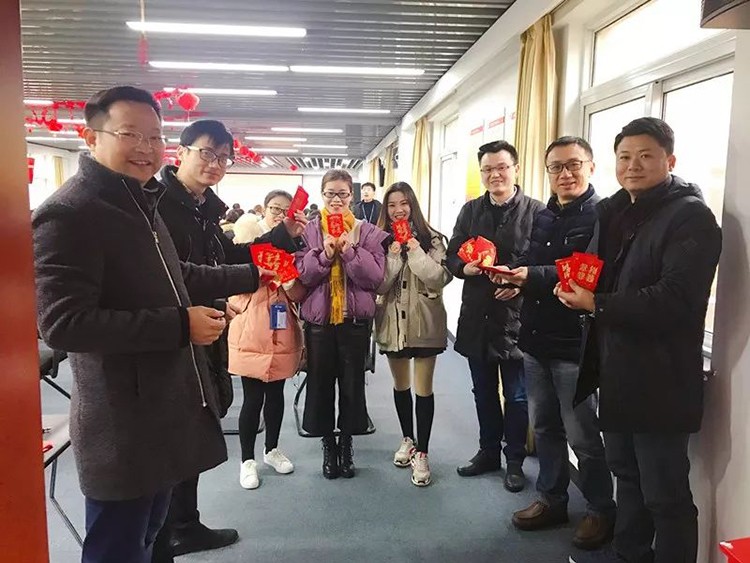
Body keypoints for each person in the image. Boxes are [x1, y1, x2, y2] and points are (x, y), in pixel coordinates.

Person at [32, 86, 269, 563]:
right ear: (91, 137)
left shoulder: (140, 202)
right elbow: (63, 324)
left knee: (151, 537)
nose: (145, 147)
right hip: (122, 419)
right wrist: (180, 326)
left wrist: (253, 273)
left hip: (163, 407)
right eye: (130, 134)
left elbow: (178, 274)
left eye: (155, 136)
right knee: (118, 546)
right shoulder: (70, 213)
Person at [565, 118, 721, 563]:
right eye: (625, 157)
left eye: (645, 156)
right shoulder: (616, 211)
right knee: (627, 479)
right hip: (616, 372)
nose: (633, 165)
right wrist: (574, 288)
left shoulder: (691, 217)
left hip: (661, 380)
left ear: (670, 161)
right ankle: (629, 554)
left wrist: (596, 303)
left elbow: (676, 300)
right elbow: (604, 276)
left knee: (665, 495)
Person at [156, 120, 306, 559]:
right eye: (207, 152)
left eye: (224, 157)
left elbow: (230, 255)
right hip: (170, 334)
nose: (215, 163)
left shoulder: (202, 208)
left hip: (203, 331)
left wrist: (281, 237)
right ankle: (170, 530)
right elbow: (181, 274)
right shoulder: (159, 205)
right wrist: (251, 276)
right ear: (180, 152)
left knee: (193, 429)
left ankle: (185, 524)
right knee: (171, 438)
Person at [496, 137, 614, 550]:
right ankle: (552, 499)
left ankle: (601, 509)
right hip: (535, 339)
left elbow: (584, 272)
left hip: (574, 344)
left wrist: (530, 277)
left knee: (583, 435)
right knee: (544, 426)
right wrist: (514, 278)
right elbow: (533, 262)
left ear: (591, 167)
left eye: (573, 165)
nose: (565, 174)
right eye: (555, 167)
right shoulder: (544, 215)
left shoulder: (603, 217)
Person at [446, 140, 544, 492]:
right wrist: (465, 268)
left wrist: (521, 285)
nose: (494, 175)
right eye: (487, 169)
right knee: (483, 391)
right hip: (478, 316)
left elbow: (545, 265)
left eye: (501, 167)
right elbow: (452, 255)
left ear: (515, 169)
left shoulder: (536, 212)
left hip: (518, 319)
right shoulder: (471, 211)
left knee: (516, 395)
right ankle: (488, 451)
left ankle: (514, 460)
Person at [295, 169, 389, 479]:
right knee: (320, 384)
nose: (336, 200)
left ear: (352, 196)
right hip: (320, 321)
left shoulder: (368, 232)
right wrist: (324, 255)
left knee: (352, 385)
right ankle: (328, 445)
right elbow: (303, 275)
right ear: (322, 195)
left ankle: (347, 444)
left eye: (343, 194)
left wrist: (349, 251)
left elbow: (374, 277)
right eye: (330, 193)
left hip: (354, 321)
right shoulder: (308, 230)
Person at [375, 181, 452, 487]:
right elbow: (379, 284)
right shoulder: (379, 240)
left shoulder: (433, 239)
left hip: (425, 322)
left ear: (413, 205)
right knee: (400, 385)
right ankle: (408, 438)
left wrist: (415, 249)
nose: (398, 210)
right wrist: (393, 256)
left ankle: (423, 452)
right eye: (392, 205)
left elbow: (438, 278)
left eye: (404, 203)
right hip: (392, 322)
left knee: (423, 388)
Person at [229, 190, 306, 490]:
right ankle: (247, 460)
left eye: (286, 210)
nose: (280, 215)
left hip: (282, 327)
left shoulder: (298, 245)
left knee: (276, 394)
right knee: (252, 398)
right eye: (275, 208)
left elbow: (300, 294)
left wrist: (288, 280)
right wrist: (256, 275)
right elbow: (229, 284)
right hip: (252, 327)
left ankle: (271, 449)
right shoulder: (247, 241)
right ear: (264, 209)